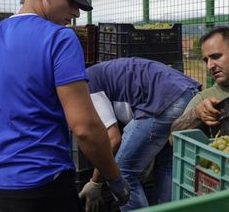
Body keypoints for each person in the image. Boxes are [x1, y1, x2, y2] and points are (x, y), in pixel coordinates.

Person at [0, 0, 129, 212]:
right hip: (40, 184)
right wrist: (114, 177)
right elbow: (84, 127)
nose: (76, 13)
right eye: (71, 1)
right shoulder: (59, 38)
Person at [78, 57, 200, 212]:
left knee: (121, 172)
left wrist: (95, 183)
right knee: (166, 165)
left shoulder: (86, 86)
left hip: (163, 101)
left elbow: (113, 139)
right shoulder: (98, 73)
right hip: (187, 93)